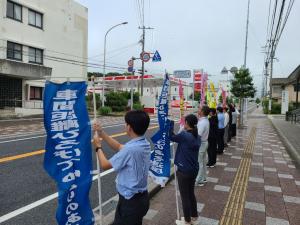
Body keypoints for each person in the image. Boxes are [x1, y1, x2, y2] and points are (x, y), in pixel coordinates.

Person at [93, 110, 151, 225]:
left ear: (129, 127)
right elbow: (119, 146)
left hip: (131, 203)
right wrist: (101, 132)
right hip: (139, 199)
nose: (125, 126)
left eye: (126, 123)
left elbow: (105, 165)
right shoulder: (143, 143)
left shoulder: (130, 149)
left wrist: (98, 147)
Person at [170, 114, 201, 225]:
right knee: (191, 194)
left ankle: (187, 221)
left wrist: (170, 125)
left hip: (184, 170)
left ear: (187, 123)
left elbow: (171, 137)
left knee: (185, 196)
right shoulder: (197, 136)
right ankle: (194, 216)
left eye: (184, 121)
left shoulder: (184, 136)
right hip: (194, 169)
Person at [196, 105, 210, 186]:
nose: (198, 109)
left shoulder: (202, 122)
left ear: (202, 112)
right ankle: (204, 178)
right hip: (204, 142)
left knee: (199, 162)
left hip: (201, 143)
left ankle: (199, 180)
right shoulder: (204, 121)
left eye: (199, 109)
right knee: (203, 162)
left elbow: (198, 135)